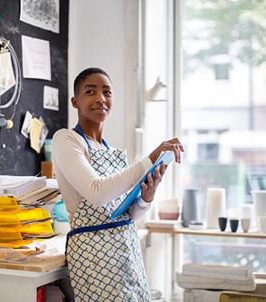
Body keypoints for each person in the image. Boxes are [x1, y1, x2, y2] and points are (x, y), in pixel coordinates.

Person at [52, 67, 184, 301]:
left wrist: (146, 196)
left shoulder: (113, 152)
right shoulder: (67, 139)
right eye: (90, 91)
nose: (100, 98)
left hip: (127, 251)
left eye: (107, 92)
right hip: (95, 258)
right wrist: (151, 158)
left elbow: (128, 214)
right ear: (75, 101)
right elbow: (98, 193)